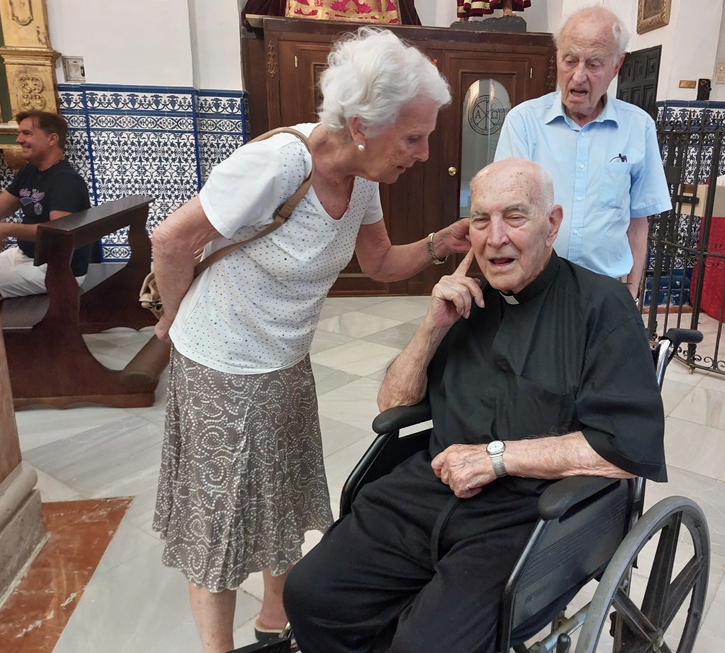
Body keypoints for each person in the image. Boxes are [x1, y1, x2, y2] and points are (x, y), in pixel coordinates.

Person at [150, 27, 469, 653]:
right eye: (413, 136)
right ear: (361, 125)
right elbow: (170, 241)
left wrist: (438, 245)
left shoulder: (366, 177)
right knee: (219, 526)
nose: (426, 152)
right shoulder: (278, 164)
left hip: (286, 363)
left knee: (282, 499)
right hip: (221, 369)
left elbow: (377, 263)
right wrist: (172, 319)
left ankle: (275, 626)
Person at [283, 158, 665, 653]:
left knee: (428, 646)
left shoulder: (602, 308)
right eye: (481, 219)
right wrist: (431, 327)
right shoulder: (465, 300)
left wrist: (497, 458)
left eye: (516, 216)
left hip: (528, 514)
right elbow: (392, 405)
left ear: (552, 224)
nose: (495, 237)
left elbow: (622, 447)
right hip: (427, 490)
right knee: (312, 595)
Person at [493, 6, 670, 300]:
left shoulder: (638, 127)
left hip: (606, 291)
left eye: (593, 64)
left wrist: (631, 290)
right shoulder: (524, 122)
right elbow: (504, 212)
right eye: (570, 60)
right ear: (558, 57)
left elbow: (638, 222)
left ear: (616, 67)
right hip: (534, 288)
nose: (578, 77)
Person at [0, 111, 91, 299]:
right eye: (19, 134)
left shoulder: (66, 181)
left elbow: (57, 234)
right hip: (25, 256)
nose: (19, 140)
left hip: (56, 268)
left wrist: (3, 229)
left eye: (27, 133)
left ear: (52, 139)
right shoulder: (30, 171)